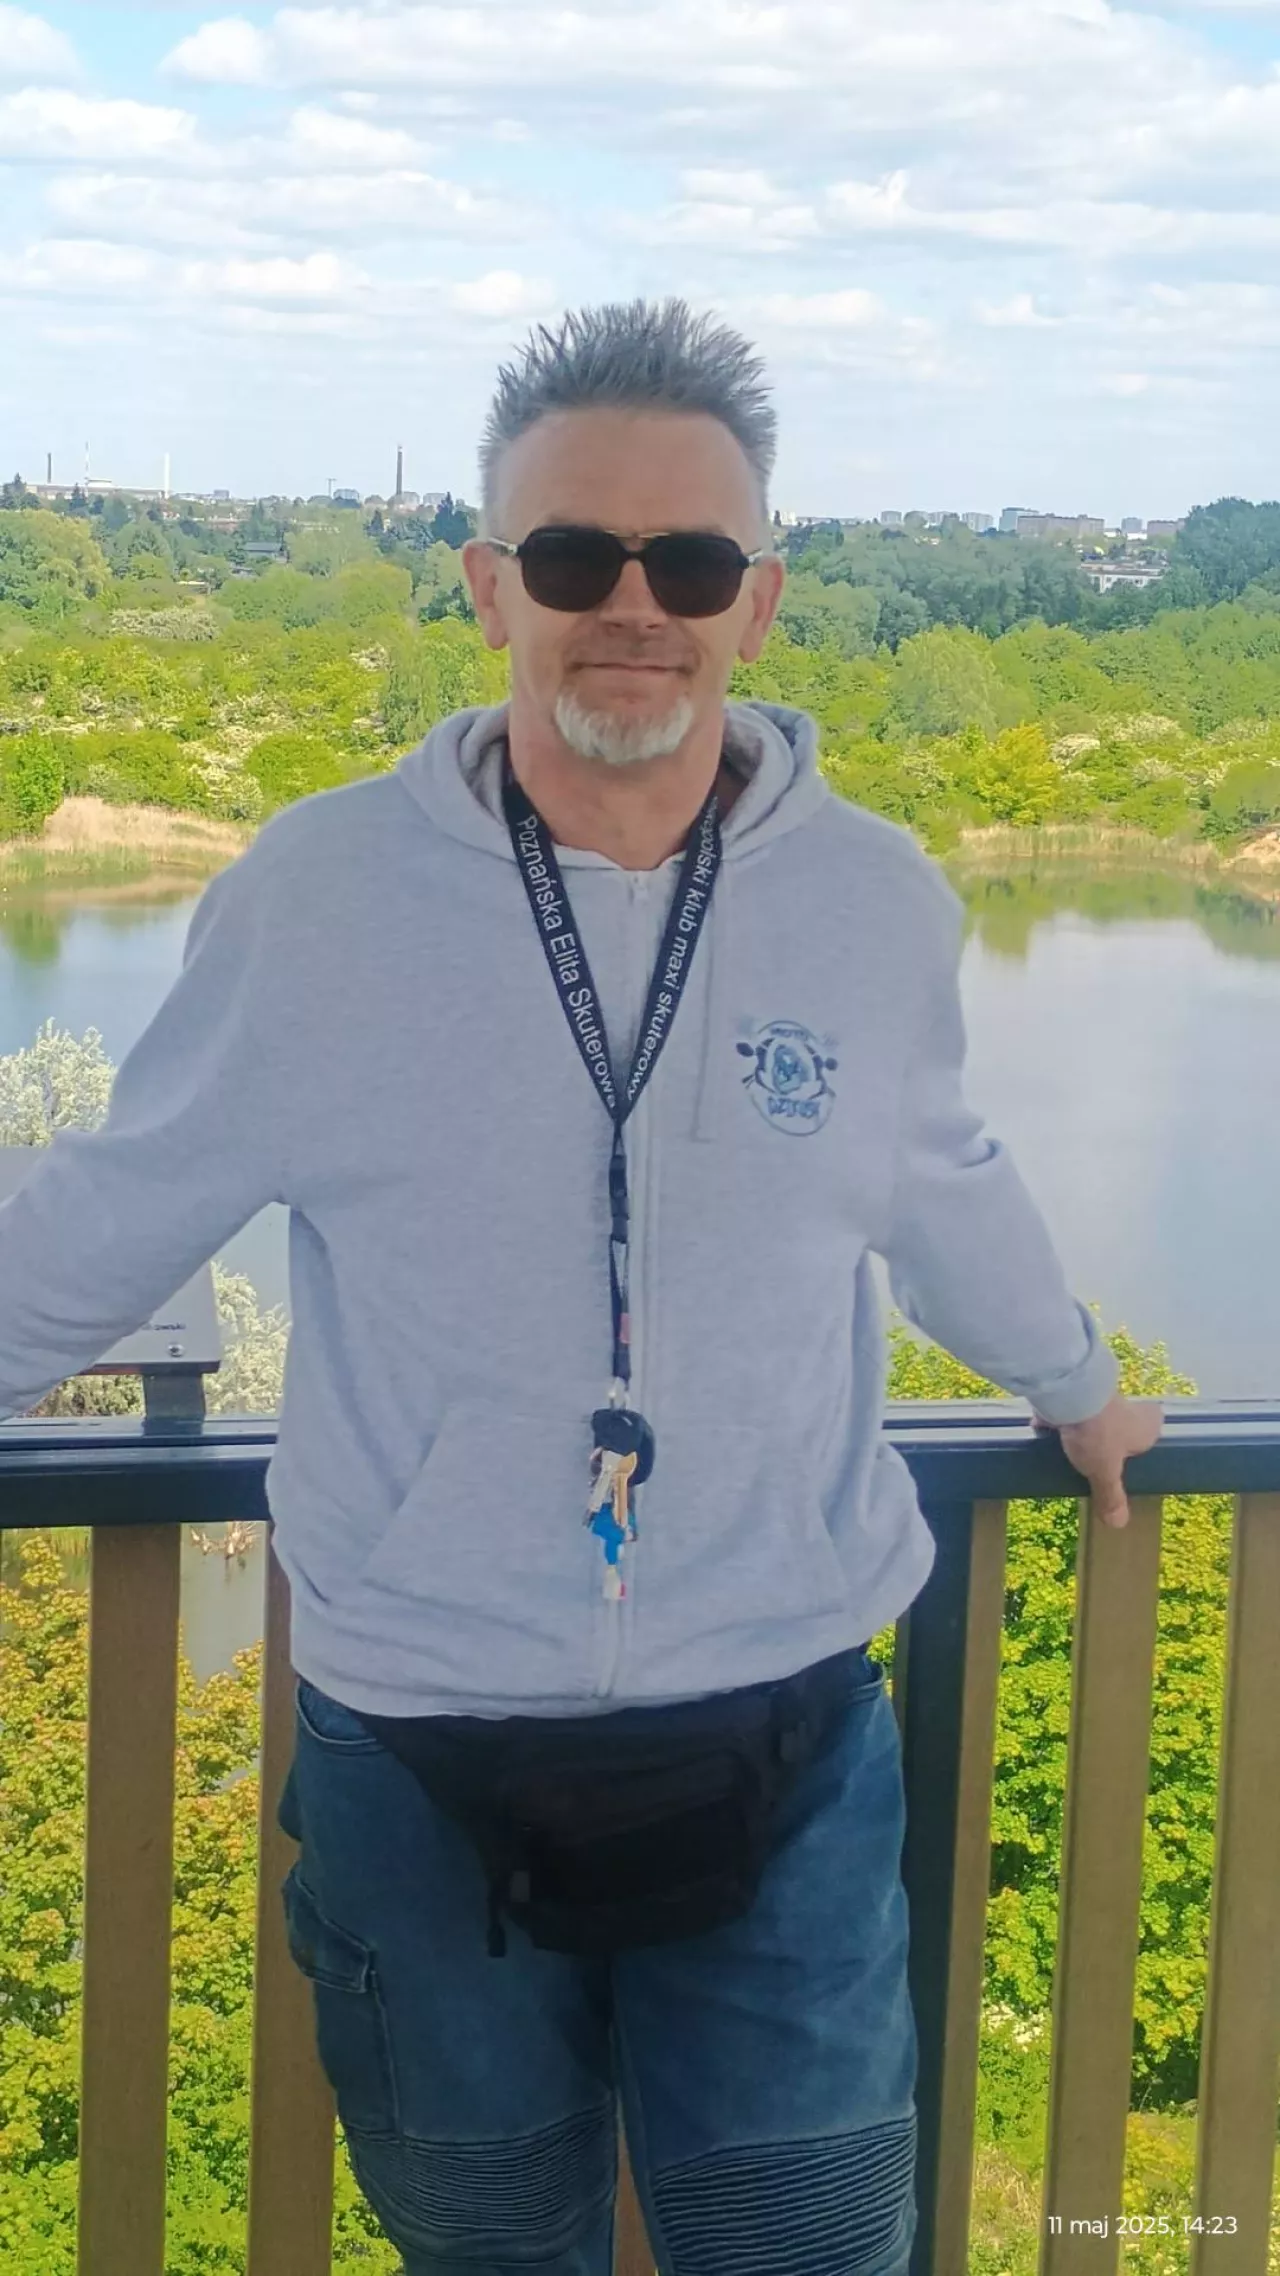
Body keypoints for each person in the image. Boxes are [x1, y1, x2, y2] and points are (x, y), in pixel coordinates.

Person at [0, 297, 1161, 2276]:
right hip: (415, 1750)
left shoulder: (875, 903)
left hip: (789, 1727)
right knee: (489, 2252)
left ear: (757, 602)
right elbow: (118, 1205)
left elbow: (945, 1184)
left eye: (690, 562)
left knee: (805, 2253)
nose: (634, 605)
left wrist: (1075, 1381)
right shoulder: (317, 900)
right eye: (572, 556)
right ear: (488, 588)